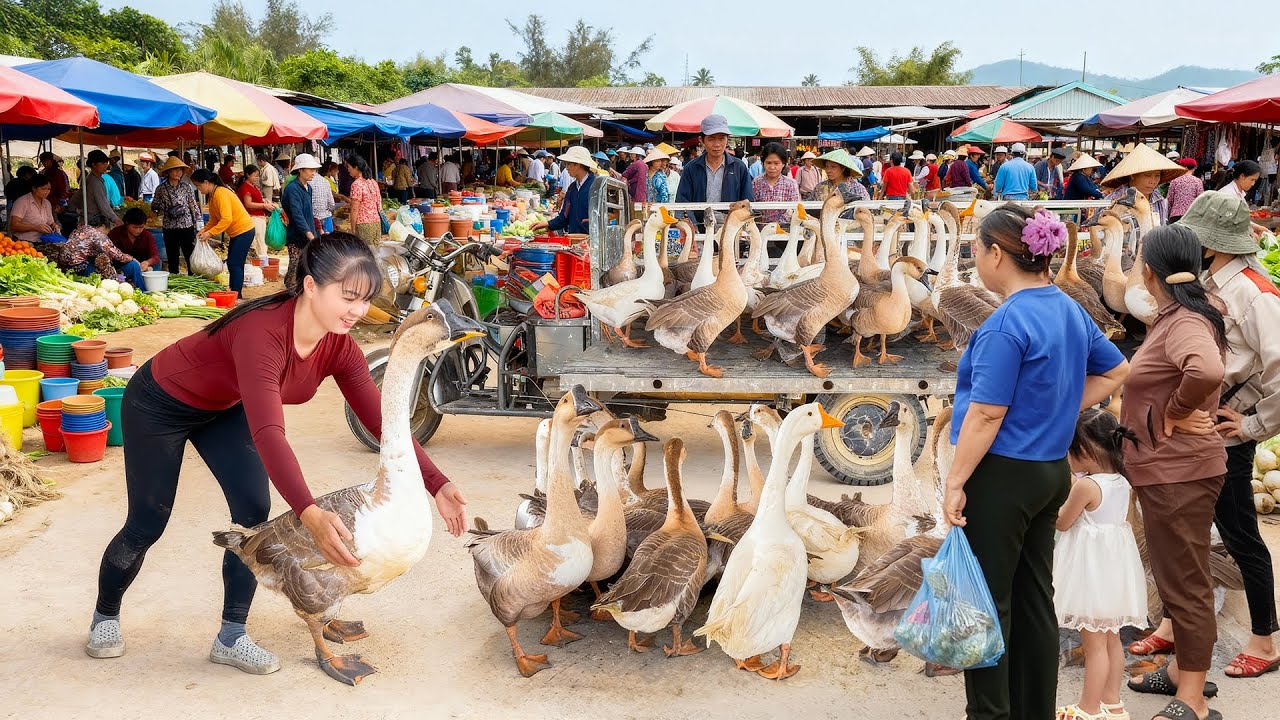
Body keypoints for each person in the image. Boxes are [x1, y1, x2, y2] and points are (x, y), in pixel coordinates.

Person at [85, 232, 469, 673]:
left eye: (365, 300)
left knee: (252, 511)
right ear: (310, 286)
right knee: (147, 521)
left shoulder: (338, 345)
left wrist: (436, 483)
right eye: (348, 297)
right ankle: (105, 616)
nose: (359, 311)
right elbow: (269, 432)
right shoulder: (261, 332)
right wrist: (308, 511)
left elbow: (382, 421)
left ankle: (231, 636)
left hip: (223, 407)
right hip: (158, 403)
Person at [942, 204, 1129, 720]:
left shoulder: (1005, 323)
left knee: (987, 605)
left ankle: (990, 714)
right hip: (1050, 472)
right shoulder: (1067, 308)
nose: (976, 259)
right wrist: (1058, 406)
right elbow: (1118, 372)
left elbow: (985, 414)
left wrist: (956, 482)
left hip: (1003, 475)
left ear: (997, 254)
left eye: (976, 250)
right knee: (1032, 599)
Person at [1131, 193, 1280, 682]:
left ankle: (1264, 636)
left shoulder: (1255, 293)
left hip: (1226, 427)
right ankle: (1176, 626)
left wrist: (1253, 424)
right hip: (1204, 426)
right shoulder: (1212, 285)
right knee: (1190, 538)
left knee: (1240, 536)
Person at [1120, 222, 1229, 720]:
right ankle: (1186, 673)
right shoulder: (1180, 315)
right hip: (1170, 470)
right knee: (1175, 577)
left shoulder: (1184, 320)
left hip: (1178, 472)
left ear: (1148, 271)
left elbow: (1205, 370)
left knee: (1186, 583)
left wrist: (1177, 410)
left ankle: (1192, 702)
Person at [1053, 408, 1147, 720]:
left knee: (1094, 647)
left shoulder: (1086, 486)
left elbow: (1063, 523)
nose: (1068, 457)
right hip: (1115, 574)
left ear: (1087, 449)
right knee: (1112, 642)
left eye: (1070, 450)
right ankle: (1113, 703)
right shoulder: (1121, 482)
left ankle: (1087, 709)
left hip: (1090, 576)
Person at [675, 115, 753, 228]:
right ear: (702, 140)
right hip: (700, 228)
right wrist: (693, 228)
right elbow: (682, 203)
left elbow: (748, 201)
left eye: (721, 138)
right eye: (711, 138)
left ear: (727, 139)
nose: (717, 144)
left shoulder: (739, 167)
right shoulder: (691, 168)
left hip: (730, 229)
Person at [193, 169, 256, 297]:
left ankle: (236, 294)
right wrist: (204, 230)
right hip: (237, 233)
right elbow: (214, 219)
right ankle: (234, 292)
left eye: (199, 185)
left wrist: (210, 234)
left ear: (206, 182)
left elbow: (227, 219)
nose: (199, 189)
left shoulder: (221, 193)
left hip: (244, 230)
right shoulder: (213, 195)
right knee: (234, 263)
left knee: (234, 263)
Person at [1100, 144, 1185, 227]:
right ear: (1133, 175)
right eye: (1147, 175)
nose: (1153, 181)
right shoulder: (1115, 199)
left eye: (1157, 175)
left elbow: (1162, 226)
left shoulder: (1158, 199)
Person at [149, 156, 202, 275]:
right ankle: (174, 278)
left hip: (187, 226)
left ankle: (192, 278)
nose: (178, 172)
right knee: (172, 256)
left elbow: (193, 204)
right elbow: (155, 206)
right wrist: (156, 213)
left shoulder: (186, 187)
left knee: (190, 255)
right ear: (168, 172)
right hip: (169, 227)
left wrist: (199, 222)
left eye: (180, 170)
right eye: (175, 170)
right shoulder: (161, 189)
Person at [62, 216, 147, 287]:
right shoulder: (98, 235)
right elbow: (116, 254)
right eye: (108, 231)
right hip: (82, 268)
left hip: (66, 268)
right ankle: (142, 290)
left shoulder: (78, 230)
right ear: (103, 226)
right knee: (134, 265)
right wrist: (132, 259)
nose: (107, 234)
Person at [530, 146, 595, 235]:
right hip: (574, 240)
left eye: (568, 164)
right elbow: (564, 216)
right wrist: (546, 224)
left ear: (578, 164)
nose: (566, 167)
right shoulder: (572, 188)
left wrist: (594, 220)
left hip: (592, 240)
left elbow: (610, 215)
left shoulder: (596, 186)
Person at [280, 155, 321, 290]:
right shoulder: (292, 189)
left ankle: (293, 286)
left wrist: (317, 228)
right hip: (296, 235)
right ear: (300, 170)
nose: (313, 173)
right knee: (295, 264)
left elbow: (310, 213)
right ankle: (291, 290)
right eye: (310, 169)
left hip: (309, 232)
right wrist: (309, 233)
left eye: (314, 170)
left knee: (304, 265)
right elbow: (297, 215)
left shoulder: (308, 188)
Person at [751, 142, 800, 225]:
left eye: (776, 163)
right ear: (763, 163)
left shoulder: (791, 184)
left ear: (783, 164)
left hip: (785, 231)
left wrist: (778, 224)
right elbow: (752, 207)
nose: (772, 167)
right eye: (768, 163)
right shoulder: (756, 182)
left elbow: (795, 209)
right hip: (761, 231)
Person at [237, 166, 275, 266]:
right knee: (258, 242)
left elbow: (257, 199)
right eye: (255, 176)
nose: (257, 178)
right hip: (253, 218)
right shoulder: (245, 187)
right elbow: (248, 204)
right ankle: (260, 265)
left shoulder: (254, 186)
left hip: (259, 217)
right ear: (248, 175)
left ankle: (262, 264)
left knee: (261, 241)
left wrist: (264, 200)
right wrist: (264, 205)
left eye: (258, 176)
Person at [344, 155, 382, 245]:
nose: (348, 170)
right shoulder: (372, 182)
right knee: (374, 253)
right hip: (376, 223)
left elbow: (354, 209)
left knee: (365, 254)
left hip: (363, 225)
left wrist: (353, 229)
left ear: (356, 167)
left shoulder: (356, 184)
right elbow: (379, 204)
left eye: (349, 167)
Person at [8, 175, 56, 243]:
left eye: (48, 189)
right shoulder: (22, 202)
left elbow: (50, 222)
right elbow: (14, 225)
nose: (47, 192)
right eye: (43, 189)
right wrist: (35, 227)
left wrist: (54, 226)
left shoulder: (47, 203)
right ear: (34, 188)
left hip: (42, 241)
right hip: (23, 243)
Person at [83, 150, 121, 228]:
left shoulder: (96, 178)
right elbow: (102, 204)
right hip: (94, 220)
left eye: (106, 163)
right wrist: (116, 219)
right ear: (93, 164)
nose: (106, 166)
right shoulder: (94, 181)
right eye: (103, 163)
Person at [1167, 158, 1205, 223]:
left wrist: (1168, 214)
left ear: (1184, 167)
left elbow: (1169, 200)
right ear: (1193, 169)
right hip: (1191, 215)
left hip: (1175, 215)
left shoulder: (1175, 180)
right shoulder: (1197, 181)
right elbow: (1201, 200)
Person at [310, 166, 336, 236]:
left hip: (312, 219)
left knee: (315, 244)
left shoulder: (306, 182)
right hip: (326, 217)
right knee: (329, 244)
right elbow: (331, 204)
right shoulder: (325, 181)